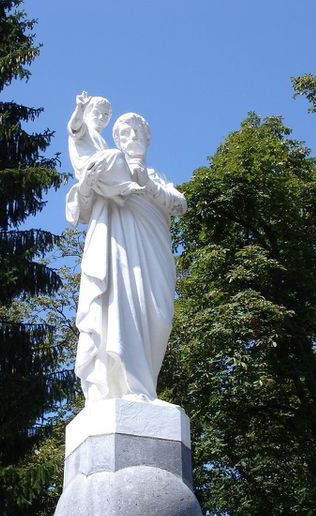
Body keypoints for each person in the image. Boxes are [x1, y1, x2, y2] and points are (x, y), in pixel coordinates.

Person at [67, 110, 187, 404]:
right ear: (117, 140)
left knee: (158, 318)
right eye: (125, 133)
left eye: (137, 132)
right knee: (120, 310)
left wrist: (148, 183)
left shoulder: (157, 176)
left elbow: (180, 204)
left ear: (147, 138)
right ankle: (126, 389)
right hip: (118, 252)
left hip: (154, 254)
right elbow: (80, 210)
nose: (132, 137)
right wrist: (87, 184)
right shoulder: (110, 168)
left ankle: (146, 387)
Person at [66, 92, 142, 226]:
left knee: (119, 158)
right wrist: (80, 108)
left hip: (101, 168)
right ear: (88, 113)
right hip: (90, 167)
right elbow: (74, 125)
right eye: (97, 113)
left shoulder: (101, 140)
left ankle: (121, 191)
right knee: (116, 154)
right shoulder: (84, 128)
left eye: (106, 115)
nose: (101, 117)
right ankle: (125, 187)